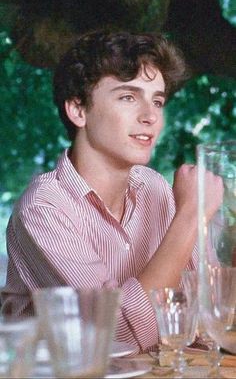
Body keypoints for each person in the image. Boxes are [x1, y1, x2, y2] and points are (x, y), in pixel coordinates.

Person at [1, 31, 223, 353]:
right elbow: (115, 339)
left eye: (157, 100)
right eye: (128, 97)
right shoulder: (43, 210)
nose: (150, 116)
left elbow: (210, 314)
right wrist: (190, 216)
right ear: (78, 110)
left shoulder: (155, 188)